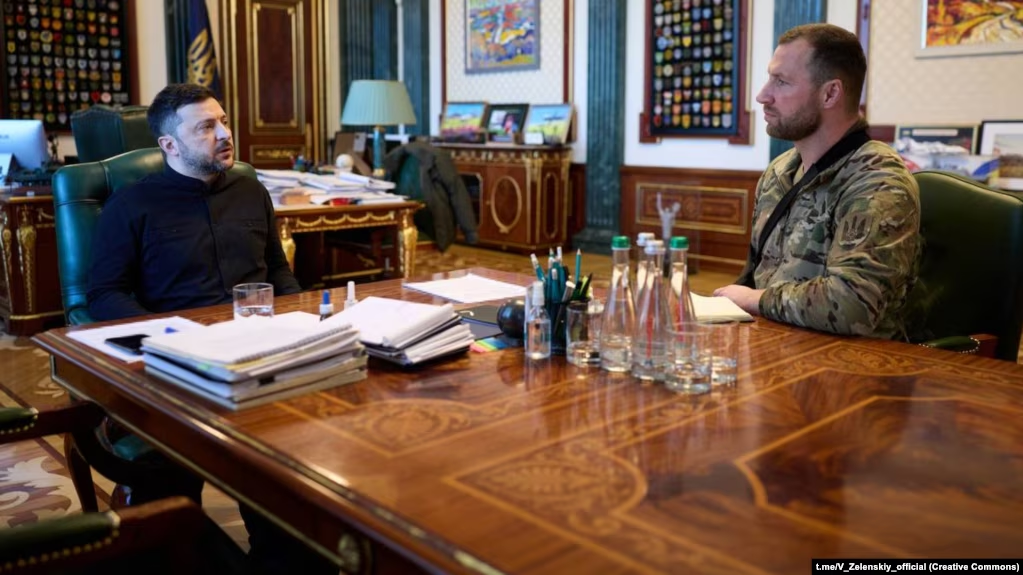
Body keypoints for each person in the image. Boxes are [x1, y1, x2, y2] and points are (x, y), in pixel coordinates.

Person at [87, 83, 333, 574]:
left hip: (263, 356)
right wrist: (169, 340)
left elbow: (277, 271)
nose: (224, 134)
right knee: (167, 528)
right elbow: (104, 294)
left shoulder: (251, 190)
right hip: (181, 367)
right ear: (169, 144)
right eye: (205, 127)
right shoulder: (131, 206)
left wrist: (304, 320)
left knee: (299, 497)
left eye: (223, 121)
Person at [714, 24, 920, 339]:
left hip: (852, 361)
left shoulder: (878, 179)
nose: (762, 95)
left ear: (830, 93)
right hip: (773, 347)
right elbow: (755, 277)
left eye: (781, 81)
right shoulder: (779, 172)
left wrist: (756, 300)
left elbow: (854, 305)